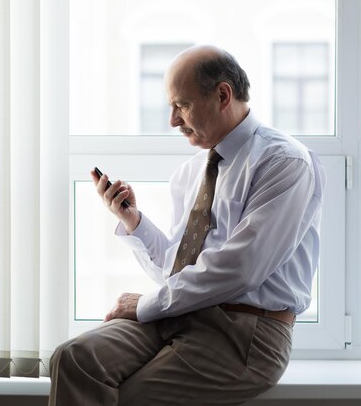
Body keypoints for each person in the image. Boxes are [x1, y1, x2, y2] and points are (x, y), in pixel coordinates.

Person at [48, 45, 326, 406]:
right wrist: (133, 221)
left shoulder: (284, 162)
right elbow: (177, 271)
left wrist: (146, 305)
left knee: (130, 399)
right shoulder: (191, 173)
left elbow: (240, 269)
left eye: (181, 105)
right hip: (181, 314)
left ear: (223, 95)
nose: (173, 121)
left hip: (247, 333)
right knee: (73, 359)